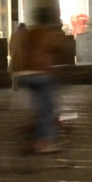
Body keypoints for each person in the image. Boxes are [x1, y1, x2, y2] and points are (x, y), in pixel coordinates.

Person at [19, 8, 62, 153]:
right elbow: (56, 49)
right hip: (41, 75)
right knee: (48, 109)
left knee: (38, 106)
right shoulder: (47, 33)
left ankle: (32, 135)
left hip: (25, 75)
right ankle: (44, 140)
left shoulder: (31, 33)